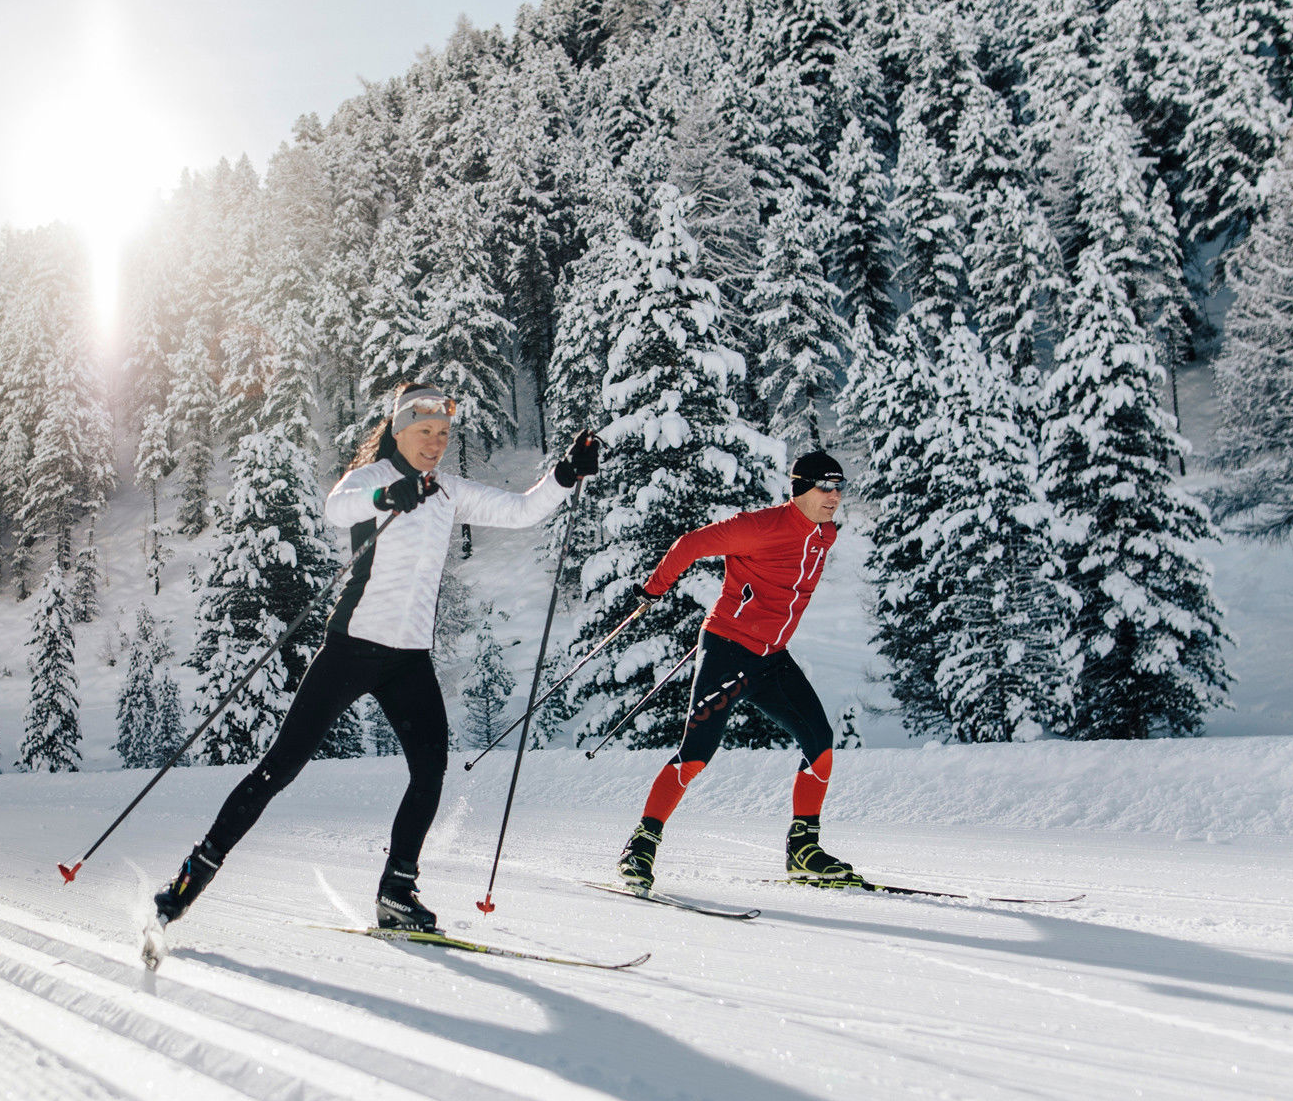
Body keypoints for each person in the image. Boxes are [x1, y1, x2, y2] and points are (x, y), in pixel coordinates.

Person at [157, 383, 603, 934]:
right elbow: (335, 507)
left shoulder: (448, 491)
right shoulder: (371, 479)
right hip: (350, 649)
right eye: (425, 432)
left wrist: (564, 474)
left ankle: (396, 891)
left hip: (408, 659)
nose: (436, 443)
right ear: (399, 431)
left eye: (443, 433)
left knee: (429, 768)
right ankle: (192, 875)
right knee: (280, 768)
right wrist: (387, 498)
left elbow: (521, 510)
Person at [615, 448, 866, 890]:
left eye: (839, 487)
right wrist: (654, 591)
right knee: (696, 753)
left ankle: (804, 851)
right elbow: (690, 545)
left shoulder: (825, 535)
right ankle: (640, 846)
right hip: (729, 649)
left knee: (820, 741)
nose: (833, 496)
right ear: (801, 488)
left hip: (772, 657)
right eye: (824, 487)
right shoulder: (760, 526)